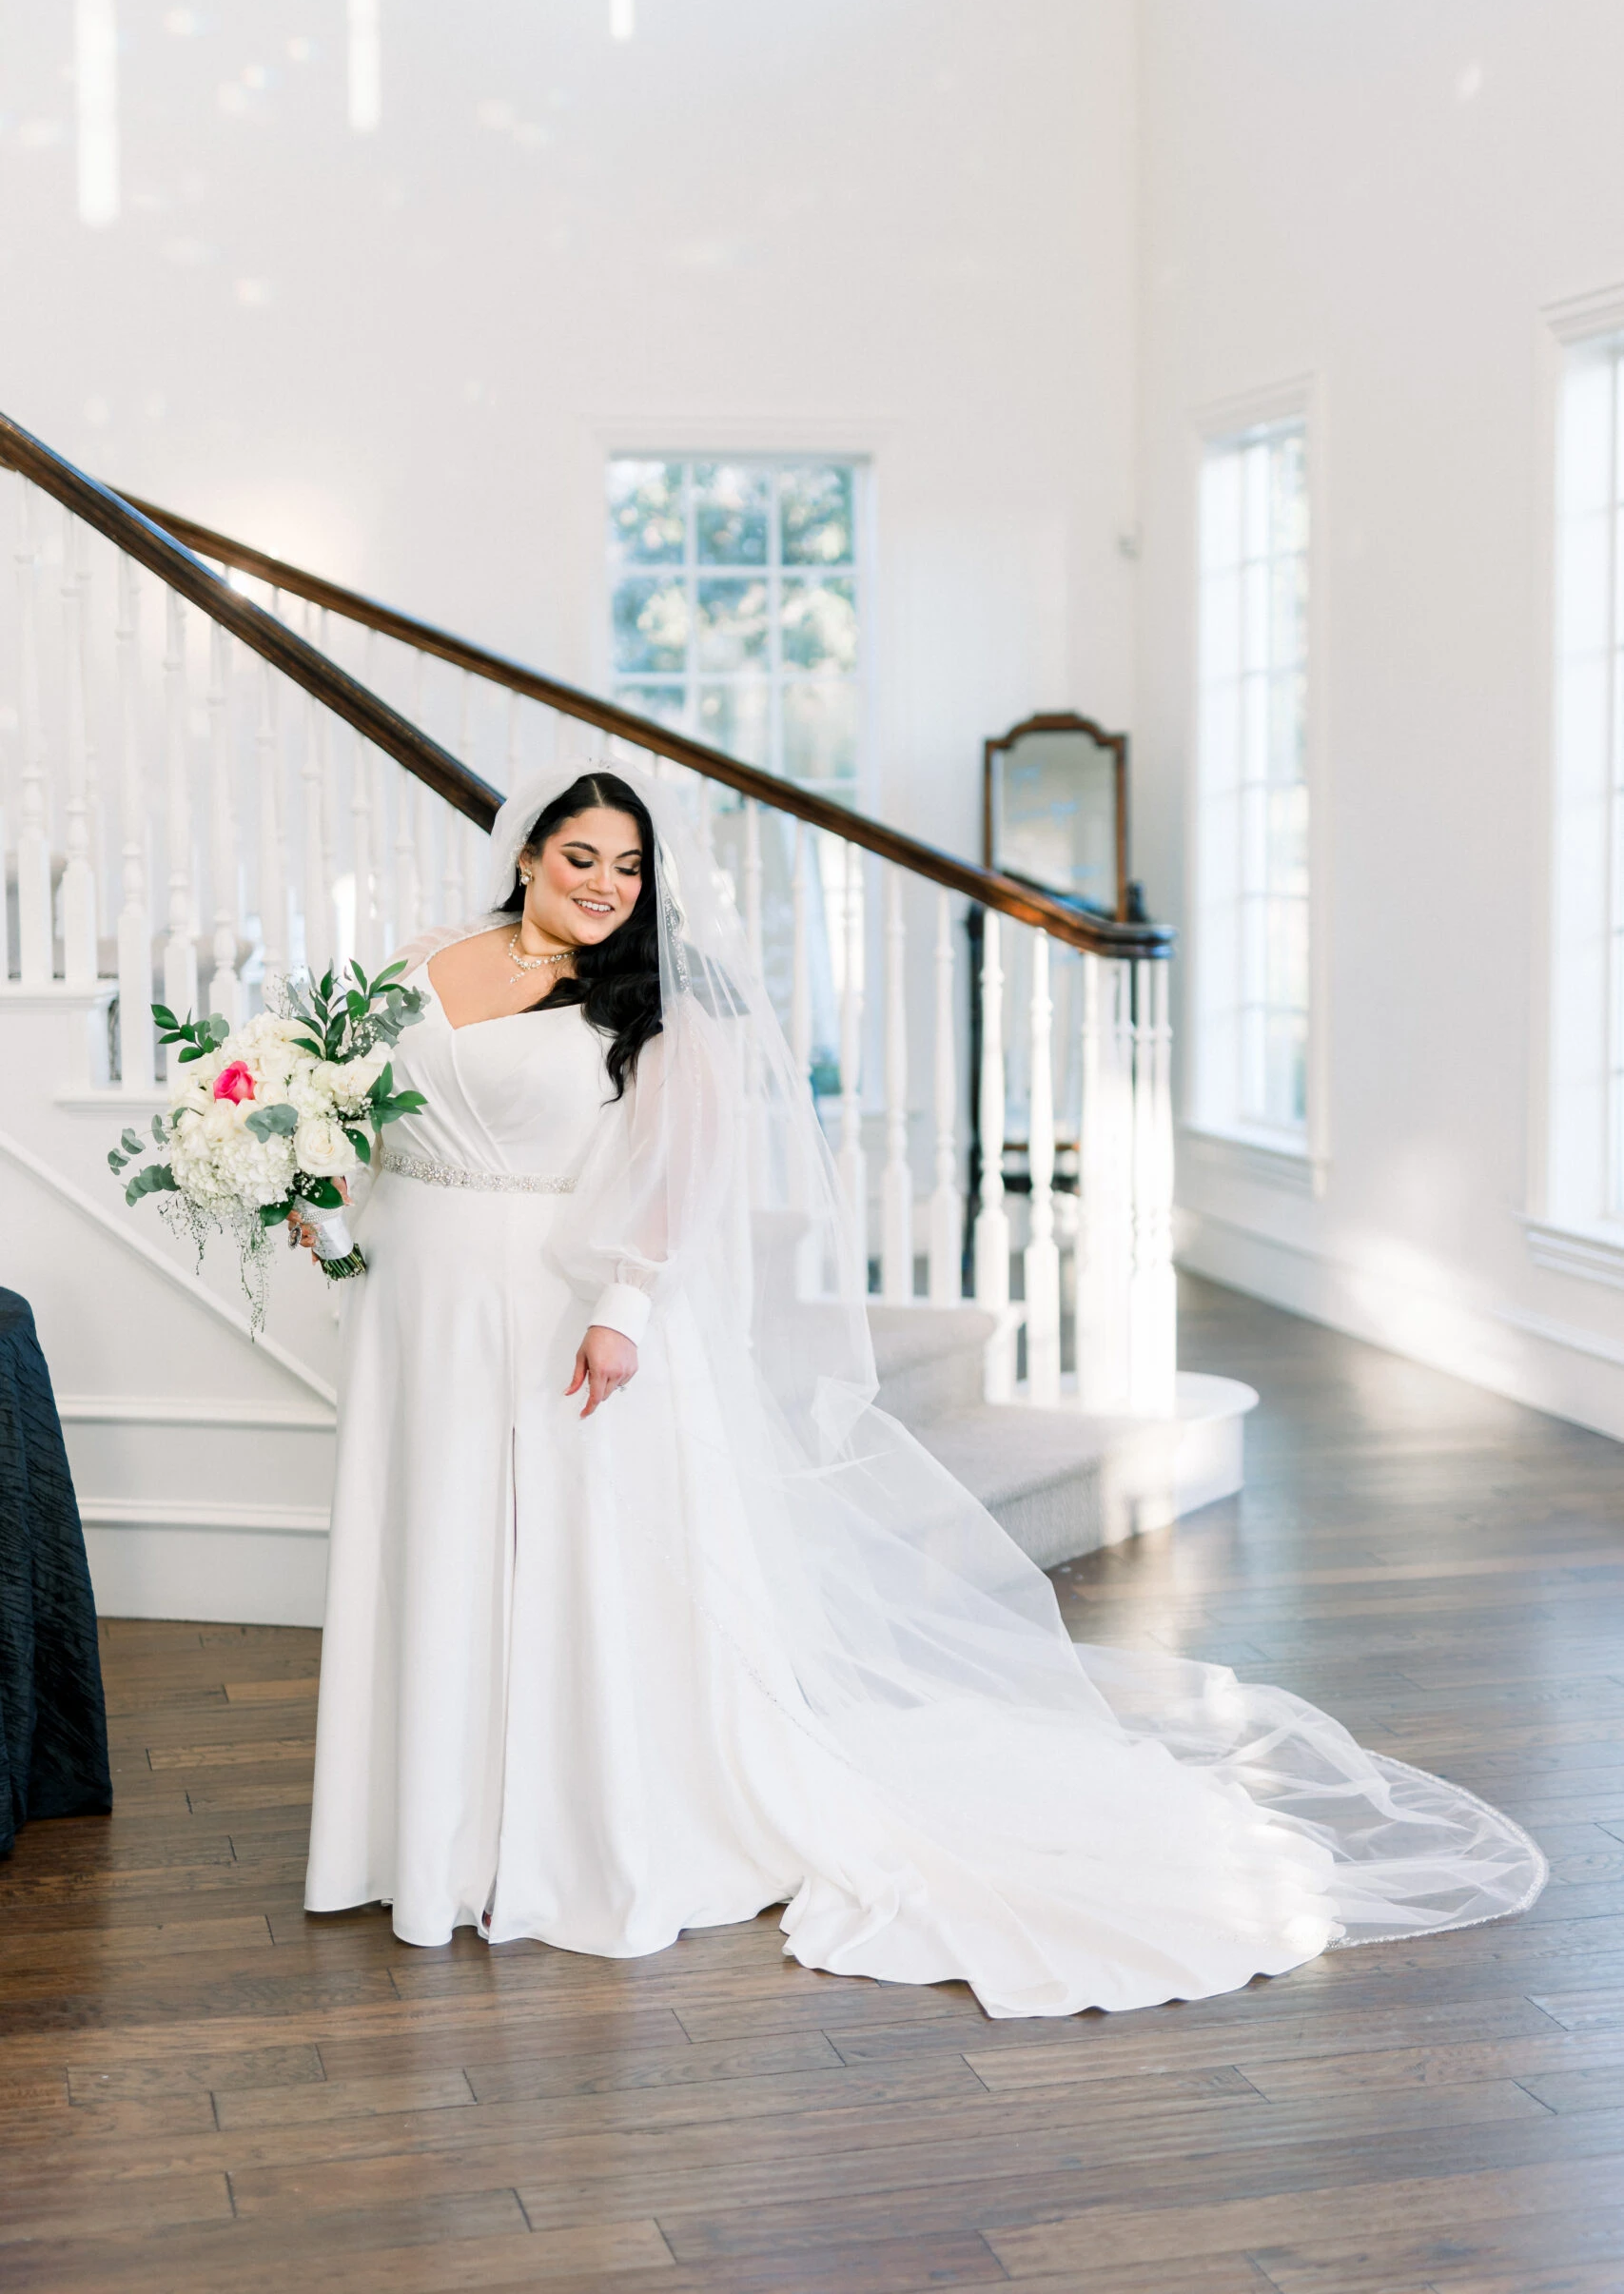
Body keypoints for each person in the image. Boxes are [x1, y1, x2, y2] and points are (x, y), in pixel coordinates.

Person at [303, 756, 1544, 2019]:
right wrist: (311, 1188)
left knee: (565, 1567)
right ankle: (426, 1828)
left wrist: (623, 1307)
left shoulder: (658, 1004)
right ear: (526, 855)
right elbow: (354, 1106)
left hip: (559, 1314)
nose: (605, 888)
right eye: (582, 859)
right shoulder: (421, 961)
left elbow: (682, 1170)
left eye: (631, 867)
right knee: (443, 1549)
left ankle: (569, 1830)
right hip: (417, 1297)